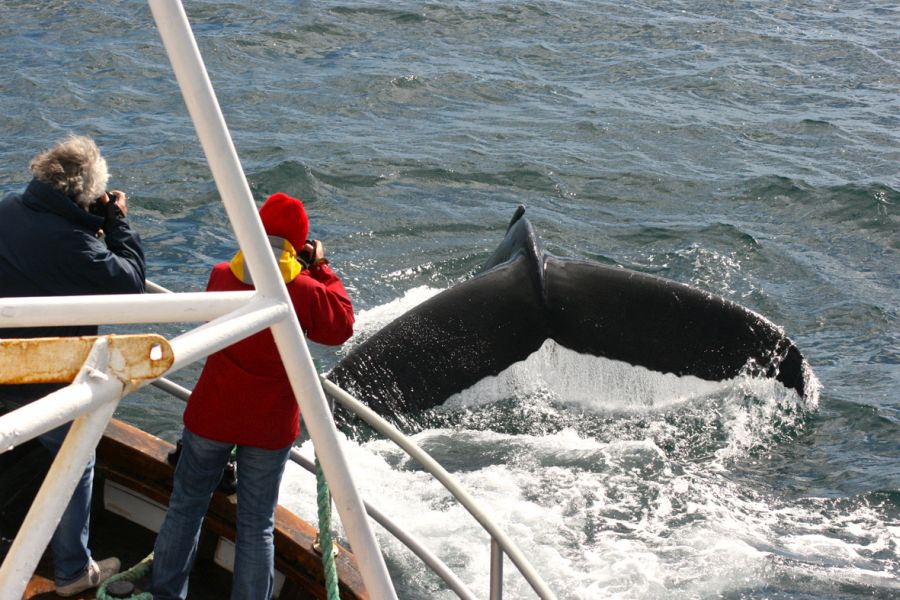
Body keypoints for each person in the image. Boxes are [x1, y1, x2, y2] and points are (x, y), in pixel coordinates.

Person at [151, 192, 354, 600]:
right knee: (256, 525)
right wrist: (321, 267)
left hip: (211, 415)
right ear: (298, 244)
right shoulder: (306, 290)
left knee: (186, 507)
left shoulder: (221, 275)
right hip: (269, 427)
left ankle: (165, 593)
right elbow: (342, 325)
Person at [0, 134, 145, 596]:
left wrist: (88, 221)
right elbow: (131, 285)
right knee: (76, 458)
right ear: (86, 194)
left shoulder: (8, 208)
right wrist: (116, 221)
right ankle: (72, 570)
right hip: (45, 379)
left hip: (3, 365)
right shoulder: (76, 245)